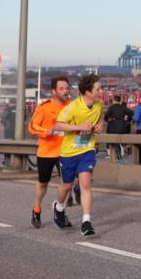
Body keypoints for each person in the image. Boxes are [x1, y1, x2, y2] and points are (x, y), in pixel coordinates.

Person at [53, 74, 104, 237]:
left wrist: (98, 128)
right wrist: (79, 126)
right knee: (67, 185)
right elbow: (58, 125)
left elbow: (100, 121)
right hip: (69, 152)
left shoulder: (99, 105)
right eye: (98, 89)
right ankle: (59, 207)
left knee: (85, 184)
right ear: (88, 92)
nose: (101, 91)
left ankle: (86, 222)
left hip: (87, 149)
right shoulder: (74, 107)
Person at [28, 77, 71, 229]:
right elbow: (32, 126)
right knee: (43, 183)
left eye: (67, 88)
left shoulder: (71, 106)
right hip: (46, 152)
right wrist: (47, 131)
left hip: (65, 151)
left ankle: (60, 211)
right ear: (54, 91)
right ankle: (36, 209)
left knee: (67, 183)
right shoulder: (45, 107)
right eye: (61, 88)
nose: (65, 91)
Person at [104, 95, 133, 163]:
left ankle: (113, 156)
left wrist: (108, 119)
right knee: (120, 141)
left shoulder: (111, 107)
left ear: (114, 100)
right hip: (122, 126)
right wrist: (128, 120)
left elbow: (106, 115)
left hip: (112, 126)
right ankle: (120, 155)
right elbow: (131, 113)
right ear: (119, 101)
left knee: (112, 141)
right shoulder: (123, 108)